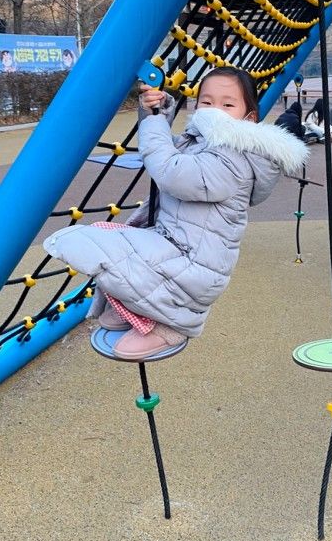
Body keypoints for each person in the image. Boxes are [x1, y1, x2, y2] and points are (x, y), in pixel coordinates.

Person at [43, 67, 309, 360]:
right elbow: (169, 147)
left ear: (249, 119)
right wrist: (157, 114)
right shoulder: (203, 143)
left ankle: (174, 326)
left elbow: (170, 172)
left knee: (94, 245)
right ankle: (142, 307)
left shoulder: (236, 159)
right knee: (109, 236)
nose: (214, 111)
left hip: (193, 266)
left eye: (227, 104)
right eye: (206, 103)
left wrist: (154, 127)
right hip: (173, 246)